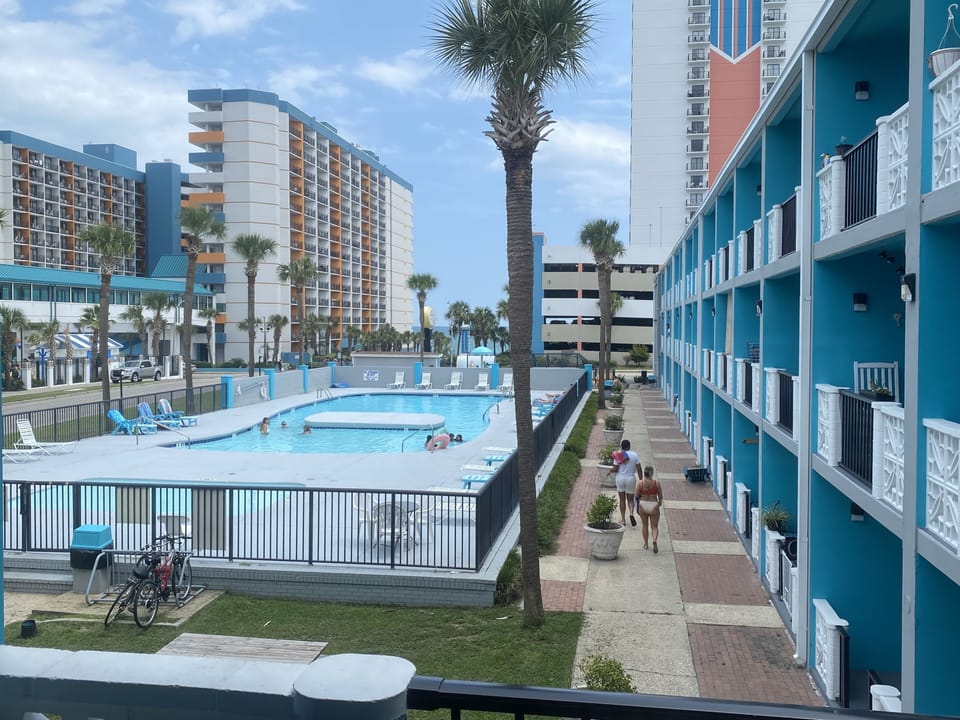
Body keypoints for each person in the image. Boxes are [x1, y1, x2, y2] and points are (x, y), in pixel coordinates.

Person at [608, 438, 641, 527]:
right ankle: (631, 513)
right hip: (630, 478)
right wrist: (641, 480)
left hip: (620, 478)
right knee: (630, 499)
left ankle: (623, 520)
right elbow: (639, 468)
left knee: (622, 500)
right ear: (629, 446)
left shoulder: (618, 454)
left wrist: (610, 471)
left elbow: (615, 468)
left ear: (621, 447)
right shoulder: (634, 455)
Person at [634, 465, 664, 552]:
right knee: (654, 526)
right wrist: (659, 502)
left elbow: (636, 495)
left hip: (643, 504)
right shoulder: (656, 483)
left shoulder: (640, 483)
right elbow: (660, 496)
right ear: (652, 473)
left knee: (645, 525)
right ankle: (654, 540)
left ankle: (646, 544)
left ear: (644, 473)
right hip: (653, 505)